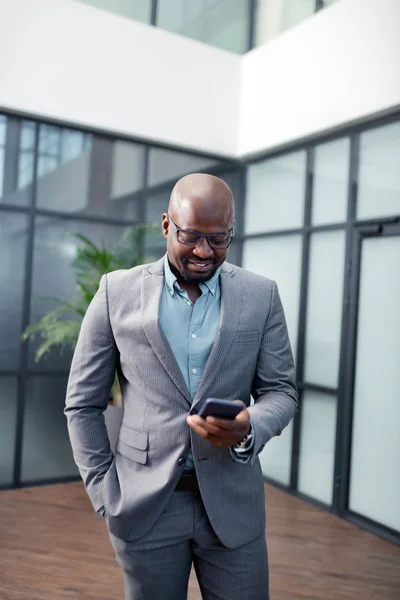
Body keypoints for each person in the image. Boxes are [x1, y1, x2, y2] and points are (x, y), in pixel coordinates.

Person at [65, 173, 297, 600]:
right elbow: (82, 404)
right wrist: (103, 491)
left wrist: (250, 426)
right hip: (144, 504)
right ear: (166, 225)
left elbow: (281, 391)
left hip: (233, 506)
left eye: (219, 239)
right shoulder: (117, 292)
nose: (204, 252)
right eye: (191, 236)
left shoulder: (261, 295)